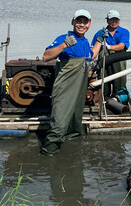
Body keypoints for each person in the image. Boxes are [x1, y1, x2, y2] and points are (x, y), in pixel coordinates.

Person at [40, 9, 92, 156]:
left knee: (75, 120)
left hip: (78, 88)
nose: (81, 24)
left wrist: (100, 42)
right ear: (73, 22)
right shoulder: (64, 38)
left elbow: (90, 56)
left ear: (89, 24)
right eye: (78, 21)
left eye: (85, 22)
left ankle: (69, 149)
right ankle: (48, 153)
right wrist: (63, 45)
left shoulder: (85, 42)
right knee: (59, 121)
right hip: (64, 87)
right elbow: (46, 56)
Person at [91, 9, 130, 98]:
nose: (114, 22)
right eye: (112, 19)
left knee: (120, 86)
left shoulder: (124, 32)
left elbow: (122, 46)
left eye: (116, 19)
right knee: (103, 87)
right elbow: (93, 49)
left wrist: (108, 47)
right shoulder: (100, 33)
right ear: (107, 20)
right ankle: (104, 100)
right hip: (104, 62)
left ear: (119, 20)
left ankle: (119, 99)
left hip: (118, 63)